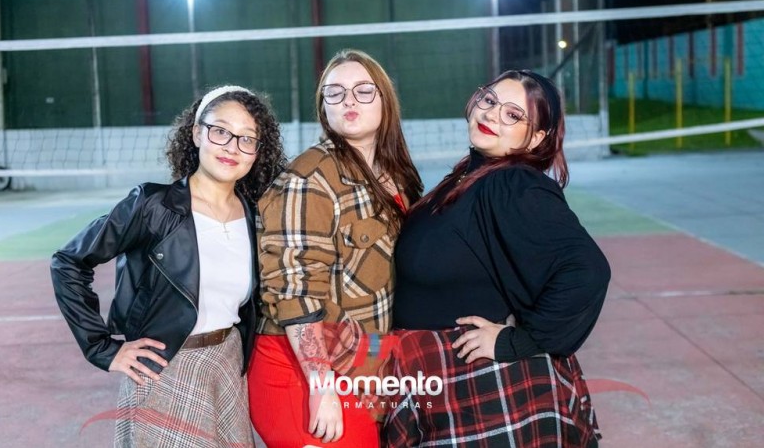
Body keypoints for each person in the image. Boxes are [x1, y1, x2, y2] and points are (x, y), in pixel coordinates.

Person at [384, 70, 610, 447]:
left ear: (536, 138)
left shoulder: (513, 184)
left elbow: (587, 270)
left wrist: (517, 342)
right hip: (437, 377)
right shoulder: (469, 176)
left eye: (513, 115)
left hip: (482, 387)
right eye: (489, 100)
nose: (491, 114)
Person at [50, 85, 286, 447]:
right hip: (166, 368)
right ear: (197, 133)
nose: (231, 147)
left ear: (257, 152)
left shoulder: (256, 215)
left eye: (246, 139)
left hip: (227, 364)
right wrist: (102, 348)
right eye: (220, 131)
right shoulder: (153, 206)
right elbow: (68, 262)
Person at [248, 49, 423, 447]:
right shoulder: (308, 179)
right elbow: (294, 291)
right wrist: (321, 385)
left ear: (384, 99)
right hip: (301, 369)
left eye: (363, 90)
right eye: (335, 92)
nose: (348, 101)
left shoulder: (396, 176)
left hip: (363, 361)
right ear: (323, 106)